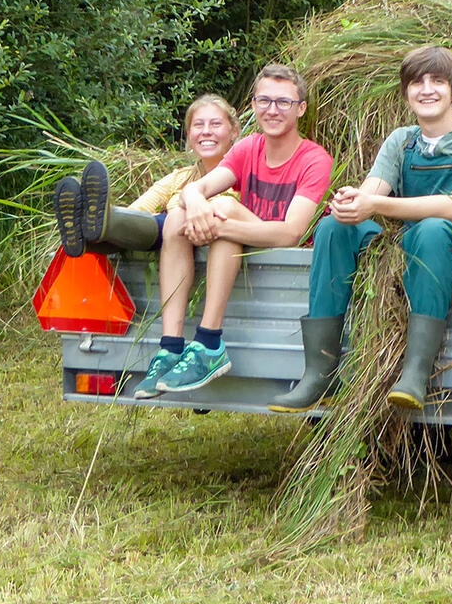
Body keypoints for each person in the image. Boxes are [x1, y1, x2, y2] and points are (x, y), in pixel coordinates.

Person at [269, 45, 452, 414]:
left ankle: (415, 372)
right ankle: (319, 371)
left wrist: (377, 205)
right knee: (334, 228)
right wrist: (353, 202)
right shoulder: (401, 140)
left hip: (450, 244)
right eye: (417, 82)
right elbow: (373, 191)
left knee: (432, 230)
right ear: (406, 93)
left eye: (437, 81)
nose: (426, 89)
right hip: (404, 240)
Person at [136, 63, 332, 399]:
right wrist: (196, 204)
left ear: (300, 109)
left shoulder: (314, 159)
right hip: (241, 245)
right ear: (253, 105)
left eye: (284, 102)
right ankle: (170, 348)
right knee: (177, 216)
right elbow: (196, 188)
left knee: (223, 208)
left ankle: (210, 342)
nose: (272, 110)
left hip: (284, 254)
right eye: (264, 101)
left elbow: (291, 234)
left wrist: (219, 221)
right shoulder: (247, 148)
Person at [52, 94, 241, 257]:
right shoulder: (178, 178)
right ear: (190, 134)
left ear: (234, 132)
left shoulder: (244, 176)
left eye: (215, 124)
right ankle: (90, 231)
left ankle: (92, 233)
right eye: (198, 125)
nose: (206, 131)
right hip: (172, 248)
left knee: (170, 220)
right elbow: (139, 210)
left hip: (208, 242)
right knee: (136, 224)